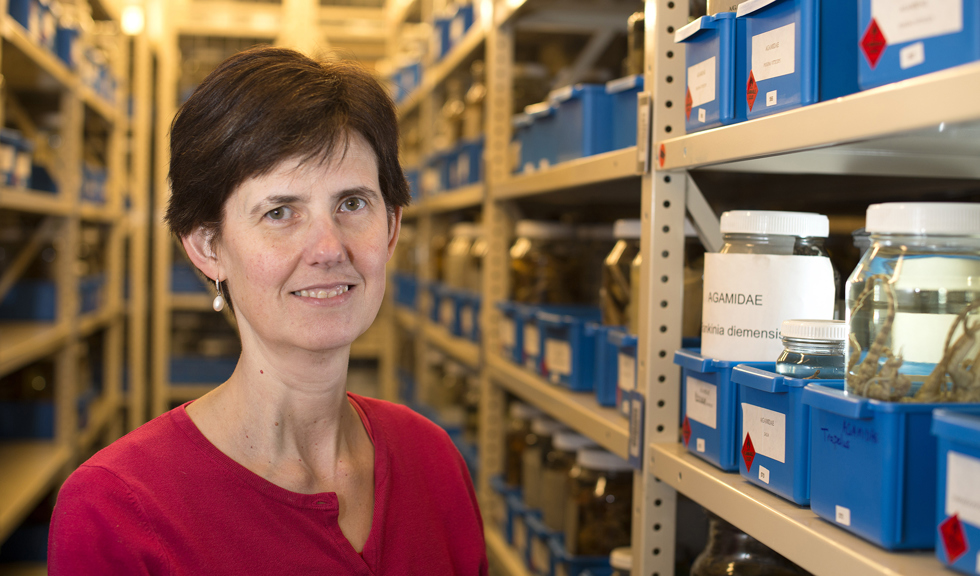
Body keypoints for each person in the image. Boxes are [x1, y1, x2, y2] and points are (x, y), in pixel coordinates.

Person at [48, 46, 488, 575]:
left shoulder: (432, 458)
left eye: (352, 204)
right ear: (208, 247)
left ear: (391, 228)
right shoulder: (118, 507)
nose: (329, 248)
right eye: (280, 212)